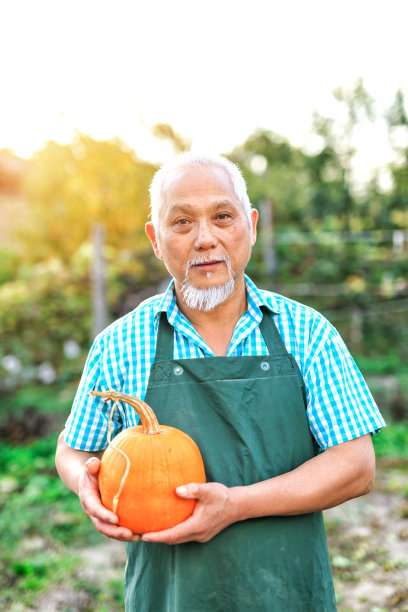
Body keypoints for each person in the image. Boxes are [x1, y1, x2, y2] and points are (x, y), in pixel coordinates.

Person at [55, 152, 386, 611]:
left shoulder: (307, 333)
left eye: (223, 217)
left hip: (288, 595)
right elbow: (74, 449)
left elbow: (357, 465)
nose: (205, 239)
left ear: (250, 225)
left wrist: (236, 504)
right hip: (167, 598)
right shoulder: (120, 344)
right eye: (182, 222)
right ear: (156, 239)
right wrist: (84, 484)